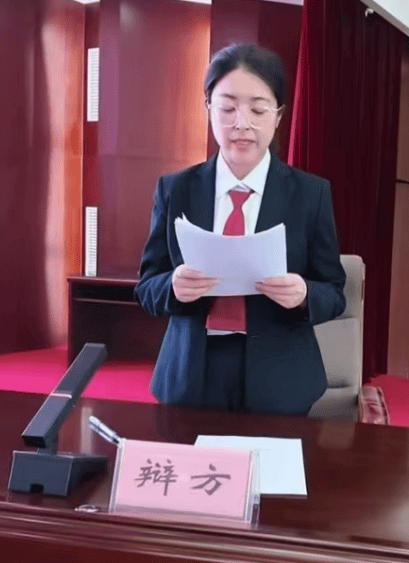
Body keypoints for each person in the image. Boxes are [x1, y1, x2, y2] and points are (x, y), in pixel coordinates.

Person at [135, 44, 345, 416]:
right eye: (228, 108)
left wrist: (304, 293)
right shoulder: (175, 189)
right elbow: (147, 287)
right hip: (192, 374)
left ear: (278, 116)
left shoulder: (310, 194)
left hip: (279, 377)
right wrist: (172, 287)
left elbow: (334, 292)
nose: (241, 123)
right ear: (208, 109)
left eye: (258, 109)